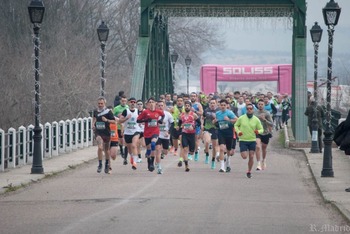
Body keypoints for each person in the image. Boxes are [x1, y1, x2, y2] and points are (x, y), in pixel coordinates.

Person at [235, 103, 264, 178]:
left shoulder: (256, 119)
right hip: (243, 140)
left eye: (251, 109)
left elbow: (261, 129)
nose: (249, 110)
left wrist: (258, 131)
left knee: (251, 156)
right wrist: (238, 132)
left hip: (252, 140)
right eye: (248, 109)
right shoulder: (241, 118)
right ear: (246, 110)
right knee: (244, 156)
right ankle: (246, 151)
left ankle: (249, 171)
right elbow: (236, 125)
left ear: (253, 110)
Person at [137, 97, 164, 172]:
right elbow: (138, 120)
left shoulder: (158, 111)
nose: (151, 103)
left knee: (153, 144)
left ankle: (152, 162)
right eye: (150, 102)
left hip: (155, 131)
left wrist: (161, 120)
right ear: (148, 104)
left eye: (153, 102)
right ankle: (149, 162)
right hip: (147, 133)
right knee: (149, 149)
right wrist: (146, 120)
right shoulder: (145, 112)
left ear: (155, 103)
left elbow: (163, 115)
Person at [213, 99, 238, 173]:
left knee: (228, 150)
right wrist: (214, 122)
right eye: (221, 105)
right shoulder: (217, 113)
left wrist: (229, 120)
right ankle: (222, 167)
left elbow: (237, 120)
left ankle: (228, 162)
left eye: (224, 105)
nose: (223, 106)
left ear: (227, 106)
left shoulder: (230, 112)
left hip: (229, 132)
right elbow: (215, 122)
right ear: (219, 106)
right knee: (221, 149)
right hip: (221, 132)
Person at [92, 97, 115, 174]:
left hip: (106, 132)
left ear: (105, 103)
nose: (100, 105)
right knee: (100, 147)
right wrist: (93, 124)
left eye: (101, 103)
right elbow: (94, 118)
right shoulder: (95, 111)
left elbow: (114, 121)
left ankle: (107, 164)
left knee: (106, 150)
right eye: (99, 103)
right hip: (98, 132)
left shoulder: (108, 112)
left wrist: (107, 120)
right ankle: (100, 164)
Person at [118, 97, 141, 170]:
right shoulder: (126, 111)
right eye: (131, 102)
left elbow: (142, 119)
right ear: (129, 103)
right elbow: (120, 121)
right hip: (127, 132)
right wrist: (126, 118)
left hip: (136, 131)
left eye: (134, 102)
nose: (133, 103)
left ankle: (135, 162)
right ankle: (132, 156)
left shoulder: (138, 111)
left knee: (134, 145)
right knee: (129, 148)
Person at [178, 101, 199, 172]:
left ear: (190, 107)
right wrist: (180, 126)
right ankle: (186, 165)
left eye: (188, 106)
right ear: (184, 107)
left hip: (192, 134)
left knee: (191, 151)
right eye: (186, 106)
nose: (187, 107)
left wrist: (193, 127)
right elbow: (179, 123)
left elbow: (199, 123)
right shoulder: (181, 115)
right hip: (184, 133)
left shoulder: (194, 115)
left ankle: (192, 153)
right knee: (185, 149)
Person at [155, 100, 174, 174]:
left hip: (165, 135)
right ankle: (159, 167)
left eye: (161, 105)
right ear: (157, 106)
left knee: (165, 152)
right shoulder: (155, 114)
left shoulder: (168, 114)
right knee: (157, 149)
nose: (160, 107)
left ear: (164, 106)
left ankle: (162, 154)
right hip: (157, 134)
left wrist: (169, 132)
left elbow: (172, 124)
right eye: (159, 105)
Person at [254, 99, 274, 171]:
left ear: (264, 105)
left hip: (265, 132)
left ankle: (264, 160)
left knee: (264, 148)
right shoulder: (254, 113)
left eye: (262, 104)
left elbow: (272, 124)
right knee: (258, 146)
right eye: (259, 104)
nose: (260, 105)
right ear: (257, 105)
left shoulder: (267, 113)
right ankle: (258, 163)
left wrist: (264, 119)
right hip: (257, 132)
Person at [203, 99, 219, 169]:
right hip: (207, 128)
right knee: (207, 142)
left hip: (215, 129)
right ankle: (207, 154)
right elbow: (202, 117)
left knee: (214, 146)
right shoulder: (206, 110)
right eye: (211, 103)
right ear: (209, 104)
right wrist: (202, 125)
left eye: (214, 103)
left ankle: (213, 160)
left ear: (216, 104)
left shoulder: (218, 111)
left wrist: (216, 119)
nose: (212, 104)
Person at [113, 95, 129, 165]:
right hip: (118, 126)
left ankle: (124, 153)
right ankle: (121, 149)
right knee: (120, 140)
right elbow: (112, 116)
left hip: (126, 127)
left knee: (124, 140)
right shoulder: (116, 108)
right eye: (122, 101)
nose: (124, 102)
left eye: (125, 101)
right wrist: (118, 116)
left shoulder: (128, 107)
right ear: (120, 101)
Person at [190, 92, 203, 161]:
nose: (193, 97)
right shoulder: (187, 104)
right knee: (189, 139)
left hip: (196, 124)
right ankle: (190, 152)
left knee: (196, 139)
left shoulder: (198, 105)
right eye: (191, 96)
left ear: (196, 97)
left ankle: (196, 152)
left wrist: (194, 111)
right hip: (189, 123)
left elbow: (201, 113)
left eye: (194, 96)